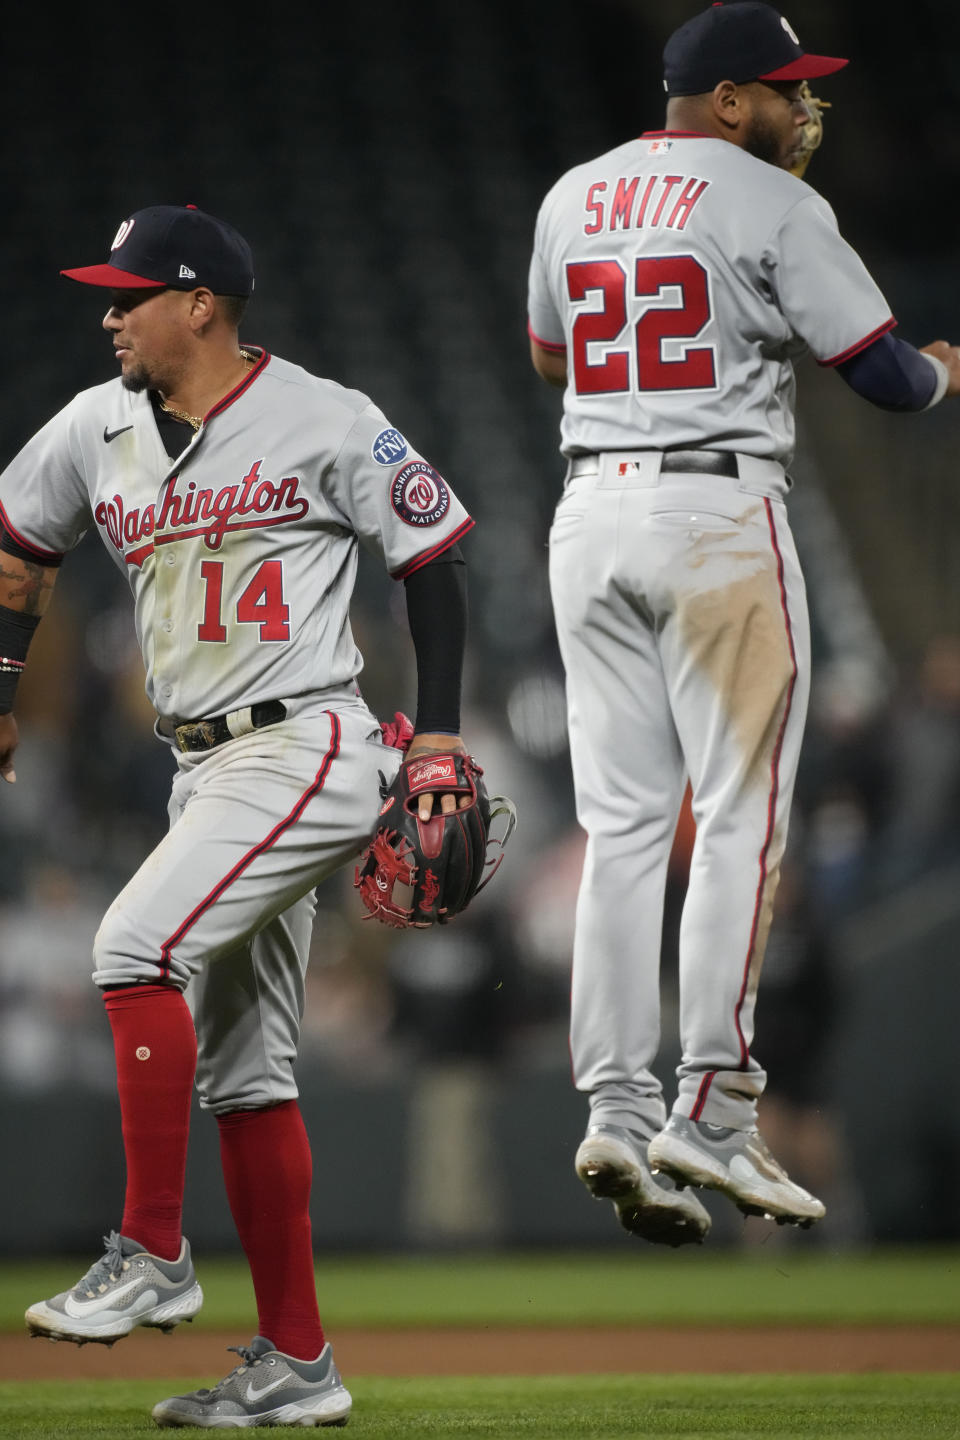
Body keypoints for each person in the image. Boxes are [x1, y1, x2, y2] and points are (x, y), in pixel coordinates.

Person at [0, 203, 474, 1427]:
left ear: (198, 303)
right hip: (199, 767)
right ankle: (299, 1367)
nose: (109, 313)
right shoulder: (94, 428)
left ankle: (152, 1252)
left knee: (131, 947)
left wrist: (441, 730)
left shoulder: (326, 414)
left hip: (311, 738)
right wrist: (5, 686)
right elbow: (17, 539)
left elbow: (434, 555)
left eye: (130, 294)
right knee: (247, 1076)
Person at [526, 0, 960, 1247]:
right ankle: (711, 1109)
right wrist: (944, 368)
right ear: (727, 101)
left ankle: (614, 1104)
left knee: (617, 831)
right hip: (716, 516)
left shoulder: (573, 193)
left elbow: (549, 354)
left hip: (588, 516)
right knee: (739, 819)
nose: (798, 108)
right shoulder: (773, 204)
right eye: (782, 89)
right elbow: (883, 377)